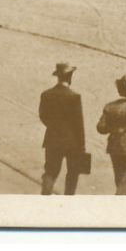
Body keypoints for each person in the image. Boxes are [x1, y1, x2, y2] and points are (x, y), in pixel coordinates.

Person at [39, 62, 87, 195]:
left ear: (58, 77)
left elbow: (43, 116)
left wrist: (54, 127)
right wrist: (82, 145)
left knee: (50, 171)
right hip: (72, 142)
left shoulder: (46, 94)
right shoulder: (74, 96)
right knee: (73, 172)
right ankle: (68, 200)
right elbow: (79, 123)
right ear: (70, 77)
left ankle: (45, 198)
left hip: (52, 139)